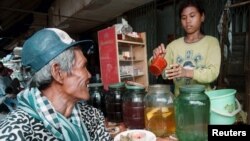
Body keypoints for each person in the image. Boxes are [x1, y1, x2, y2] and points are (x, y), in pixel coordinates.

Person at [0, 28, 112, 141]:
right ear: (58, 72)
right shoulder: (15, 133)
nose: (89, 75)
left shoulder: (92, 116)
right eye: (83, 66)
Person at [151, 0, 221, 97]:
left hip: (203, 101)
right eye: (184, 18)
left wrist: (187, 72)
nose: (188, 21)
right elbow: (164, 74)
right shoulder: (173, 46)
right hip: (180, 102)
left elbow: (212, 73)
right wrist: (157, 60)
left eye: (192, 16)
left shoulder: (211, 42)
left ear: (202, 17)